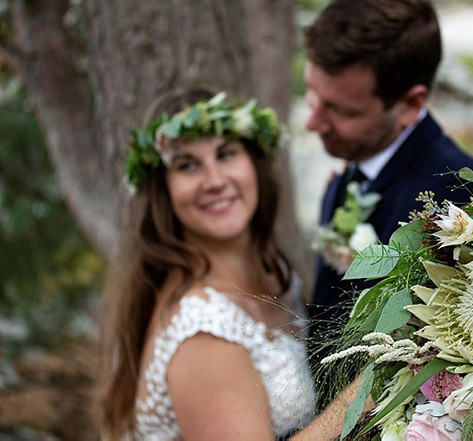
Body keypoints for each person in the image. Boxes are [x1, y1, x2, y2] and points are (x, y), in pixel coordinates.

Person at [97, 88, 365, 440]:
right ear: (163, 189)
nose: (215, 181)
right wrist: (360, 398)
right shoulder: (203, 331)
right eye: (187, 165)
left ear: (253, 164)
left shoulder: (274, 278)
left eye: (225, 154)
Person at [303, 0, 473, 407]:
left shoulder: (463, 203)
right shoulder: (354, 170)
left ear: (410, 104)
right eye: (312, 96)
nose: (313, 123)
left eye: (338, 110)